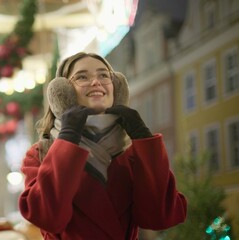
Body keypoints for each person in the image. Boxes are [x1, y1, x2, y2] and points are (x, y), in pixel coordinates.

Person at [18, 52, 187, 239]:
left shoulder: (133, 153)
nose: (96, 82)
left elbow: (159, 218)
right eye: (82, 77)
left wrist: (143, 138)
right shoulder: (40, 153)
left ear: (117, 87)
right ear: (63, 92)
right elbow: (49, 217)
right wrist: (67, 139)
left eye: (103, 75)